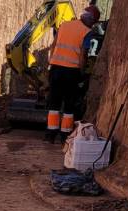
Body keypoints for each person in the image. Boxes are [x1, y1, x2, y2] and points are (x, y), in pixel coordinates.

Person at [45, 10, 96, 143]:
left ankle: (50, 135)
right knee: (69, 105)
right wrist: (82, 72)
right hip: (71, 72)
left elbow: (53, 45)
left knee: (54, 103)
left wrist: (51, 63)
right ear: (91, 20)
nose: (92, 25)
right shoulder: (86, 32)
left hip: (55, 69)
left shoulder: (64, 25)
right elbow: (83, 55)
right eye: (93, 22)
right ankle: (65, 136)